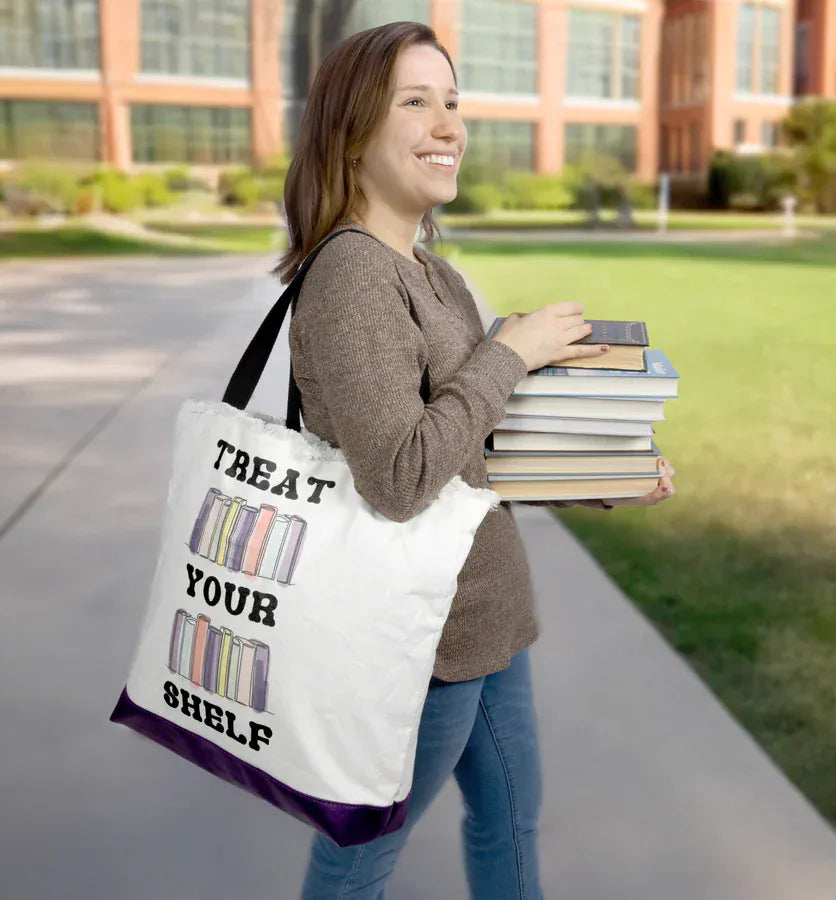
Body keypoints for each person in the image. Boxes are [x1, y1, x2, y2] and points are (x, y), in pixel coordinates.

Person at [273, 21, 677, 900]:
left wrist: (607, 478)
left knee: (509, 821)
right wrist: (514, 353)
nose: (447, 124)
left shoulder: (434, 274)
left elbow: (473, 451)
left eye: (452, 102)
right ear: (351, 130)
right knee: (359, 855)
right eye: (414, 102)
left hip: (485, 621)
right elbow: (402, 476)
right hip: (415, 638)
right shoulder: (351, 278)